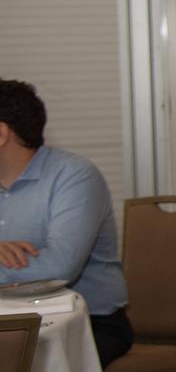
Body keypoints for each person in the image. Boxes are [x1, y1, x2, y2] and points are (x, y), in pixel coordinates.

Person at [0, 79, 133, 367]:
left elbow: (58, 269)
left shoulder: (74, 176)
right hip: (8, 321)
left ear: (1, 133)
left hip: (89, 323)